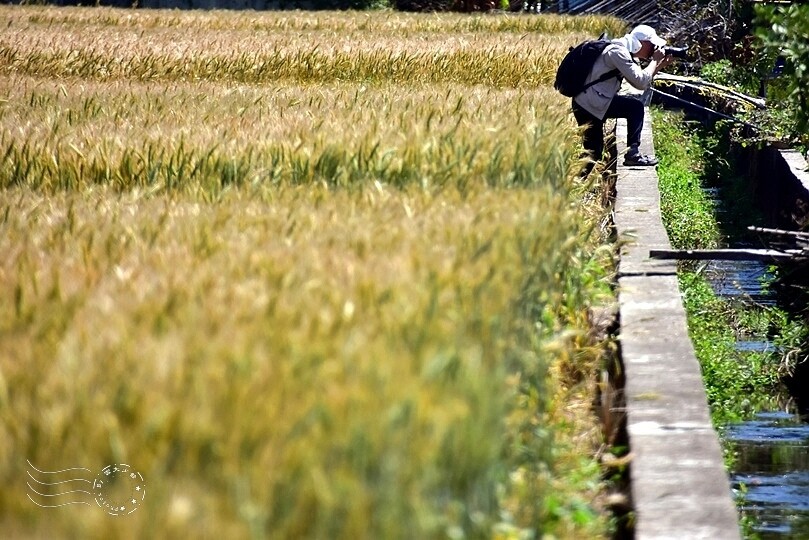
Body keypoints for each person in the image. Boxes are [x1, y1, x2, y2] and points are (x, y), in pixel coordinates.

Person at [572, 24, 674, 173]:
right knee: (634, 108)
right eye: (652, 46)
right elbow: (640, 82)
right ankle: (632, 153)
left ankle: (572, 185)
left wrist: (658, 65)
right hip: (591, 103)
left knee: (593, 152)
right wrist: (654, 61)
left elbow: (641, 81)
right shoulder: (618, 51)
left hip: (590, 102)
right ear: (643, 43)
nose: (654, 50)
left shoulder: (624, 51)